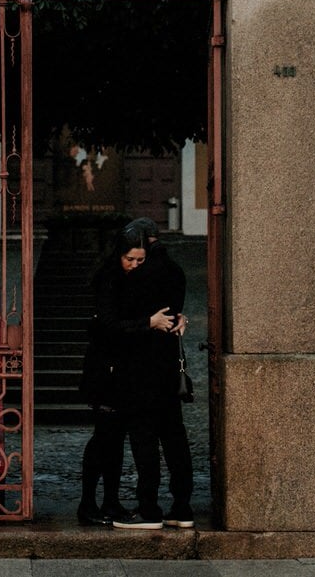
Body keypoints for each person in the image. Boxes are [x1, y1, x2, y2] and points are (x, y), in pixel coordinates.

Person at [76, 229, 175, 530]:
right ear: (119, 256)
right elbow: (109, 326)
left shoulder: (133, 280)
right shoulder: (108, 279)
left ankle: (110, 501)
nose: (135, 264)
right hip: (104, 372)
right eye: (130, 259)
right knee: (103, 440)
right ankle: (88, 504)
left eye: (140, 259)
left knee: (115, 440)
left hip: (123, 374)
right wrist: (149, 323)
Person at [118, 217, 195, 529]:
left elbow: (124, 320)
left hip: (140, 366)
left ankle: (149, 507)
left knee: (144, 437)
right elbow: (175, 312)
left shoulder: (137, 275)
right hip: (167, 364)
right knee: (175, 436)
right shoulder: (176, 271)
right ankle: (182, 507)